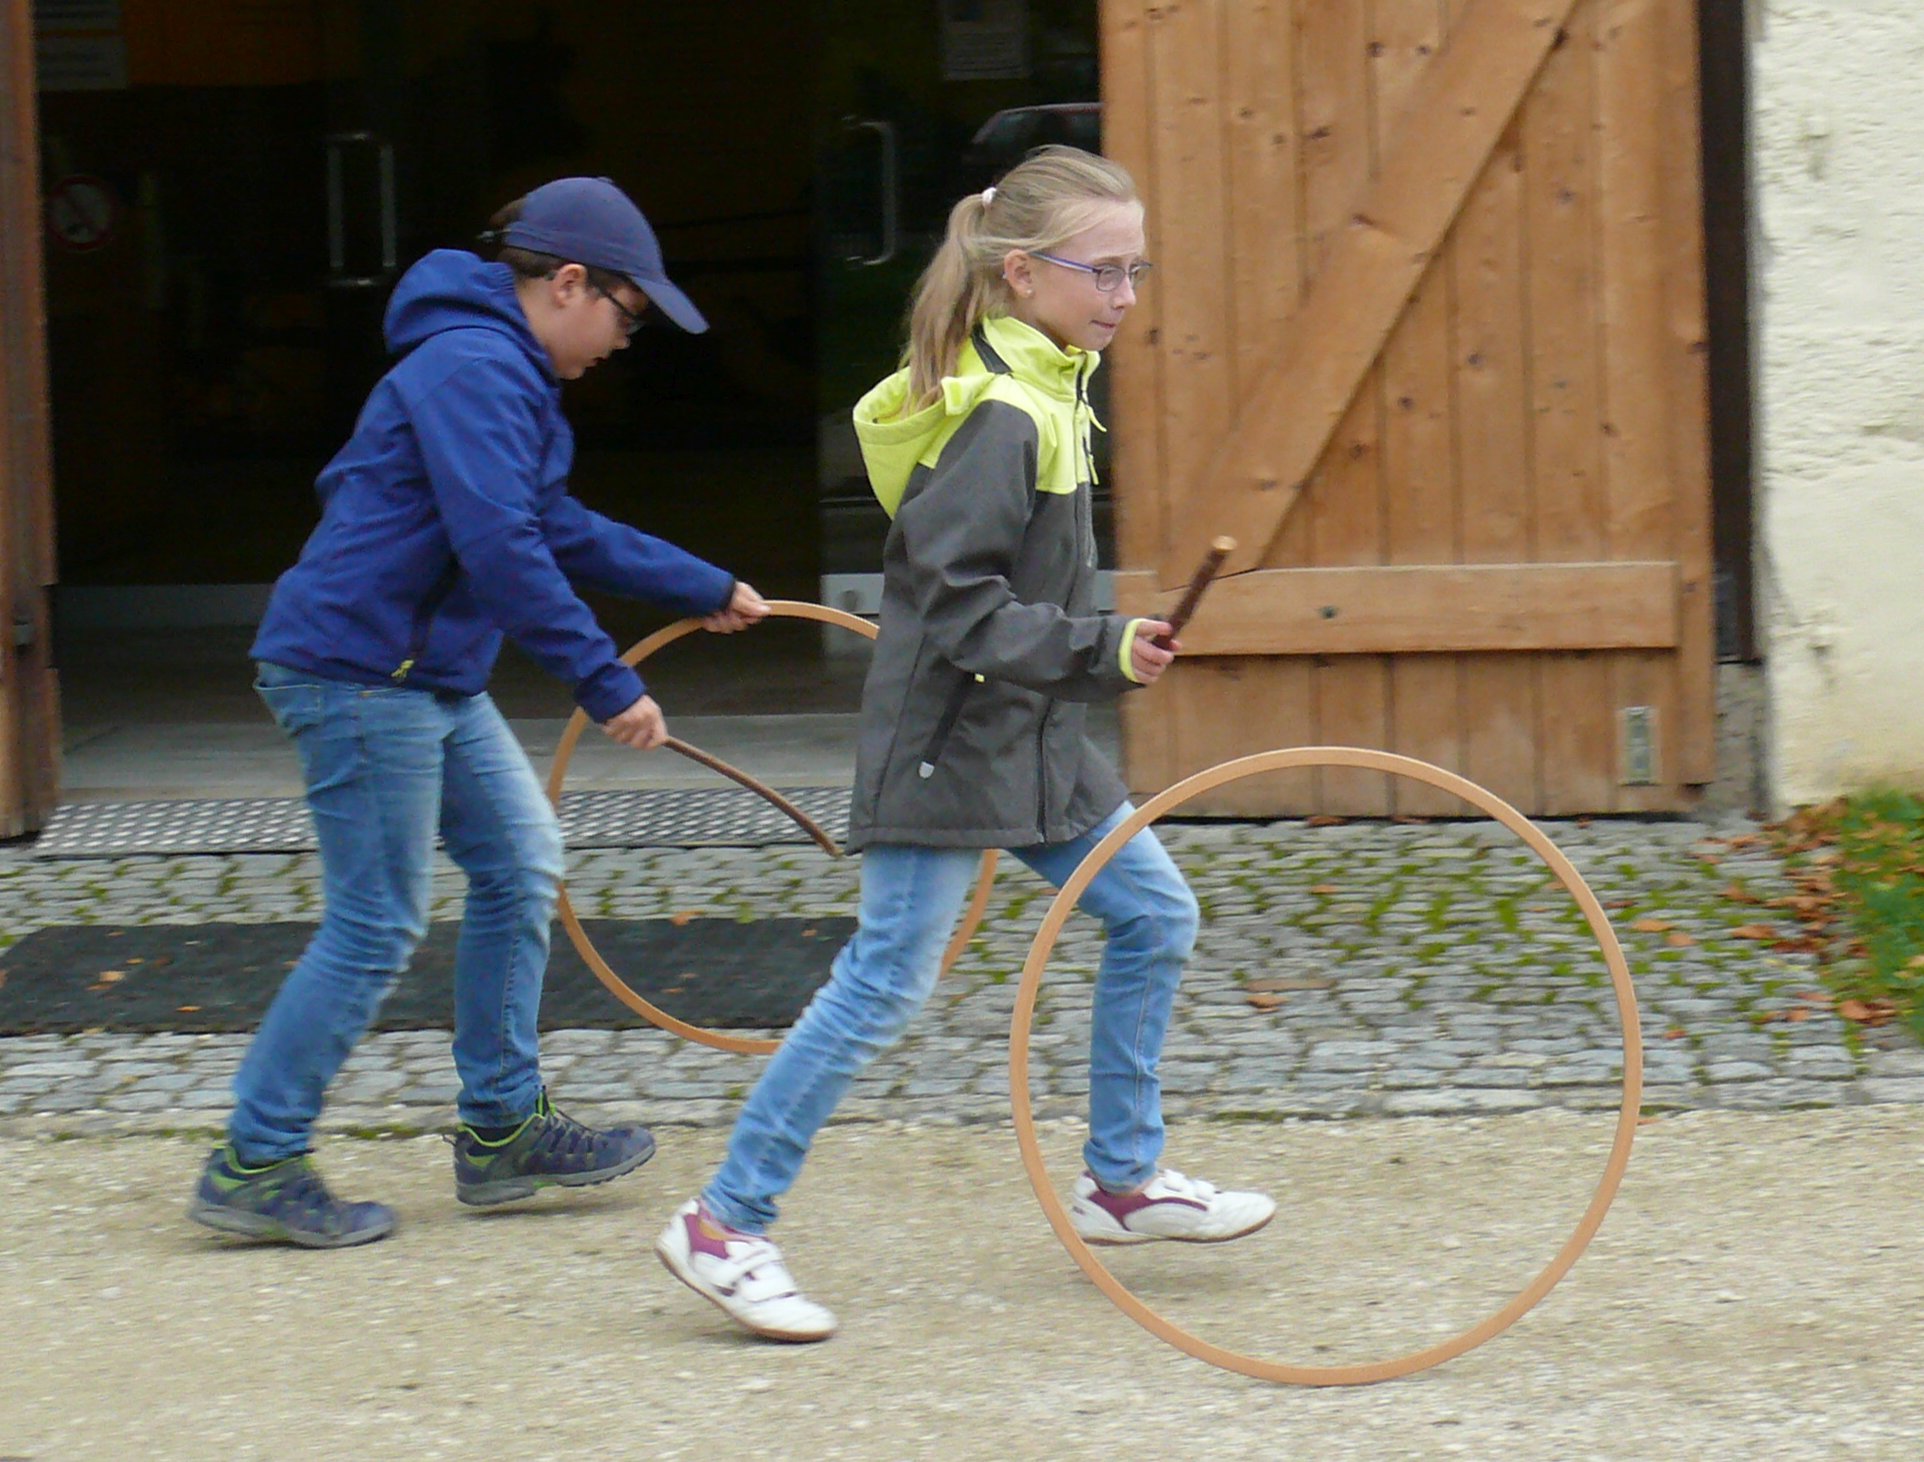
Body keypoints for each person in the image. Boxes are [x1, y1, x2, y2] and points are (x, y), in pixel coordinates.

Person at [654, 147, 1272, 1342]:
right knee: (885, 983)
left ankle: (1122, 1182)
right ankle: (723, 1222)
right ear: (1024, 273)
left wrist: (1095, 655)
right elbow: (954, 605)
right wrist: (1102, 647)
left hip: (1031, 744)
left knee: (1155, 915)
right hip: (950, 743)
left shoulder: (1046, 382)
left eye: (1137, 269)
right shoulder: (998, 410)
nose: (1127, 295)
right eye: (1104, 271)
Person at [188, 176, 769, 1248]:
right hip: (358, 673)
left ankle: (502, 1132)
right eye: (626, 315)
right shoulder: (471, 366)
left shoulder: (502, 370)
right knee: (376, 922)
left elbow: (552, 523)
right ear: (567, 282)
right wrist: (606, 684)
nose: (624, 339)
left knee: (519, 861)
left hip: (422, 675)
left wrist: (699, 582)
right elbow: (501, 546)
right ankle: (255, 1159)